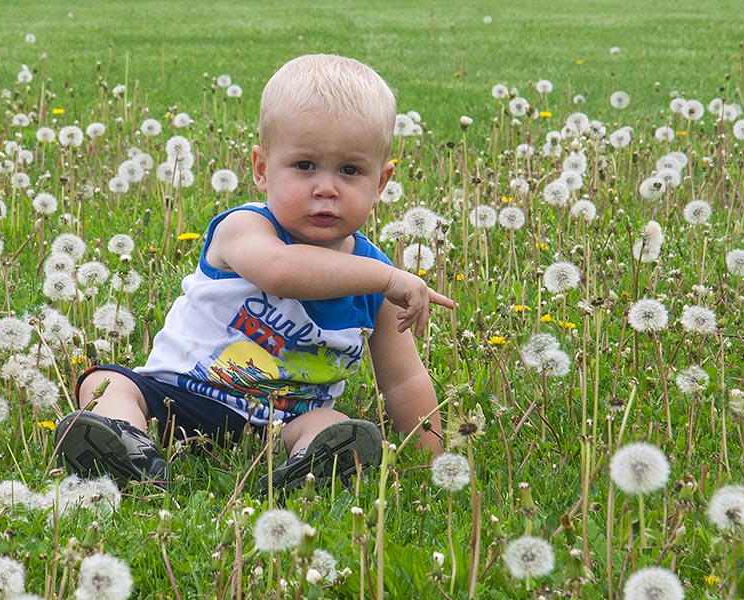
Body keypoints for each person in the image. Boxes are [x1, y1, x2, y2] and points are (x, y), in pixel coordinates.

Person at [54, 54, 455, 490]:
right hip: (180, 399)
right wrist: (387, 278)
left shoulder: (373, 283)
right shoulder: (244, 228)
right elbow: (278, 271)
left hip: (281, 427)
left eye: (350, 170)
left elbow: (404, 380)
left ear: (381, 183)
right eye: (304, 166)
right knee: (105, 381)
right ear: (262, 170)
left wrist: (431, 463)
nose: (326, 187)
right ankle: (127, 444)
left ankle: (307, 466)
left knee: (333, 423)